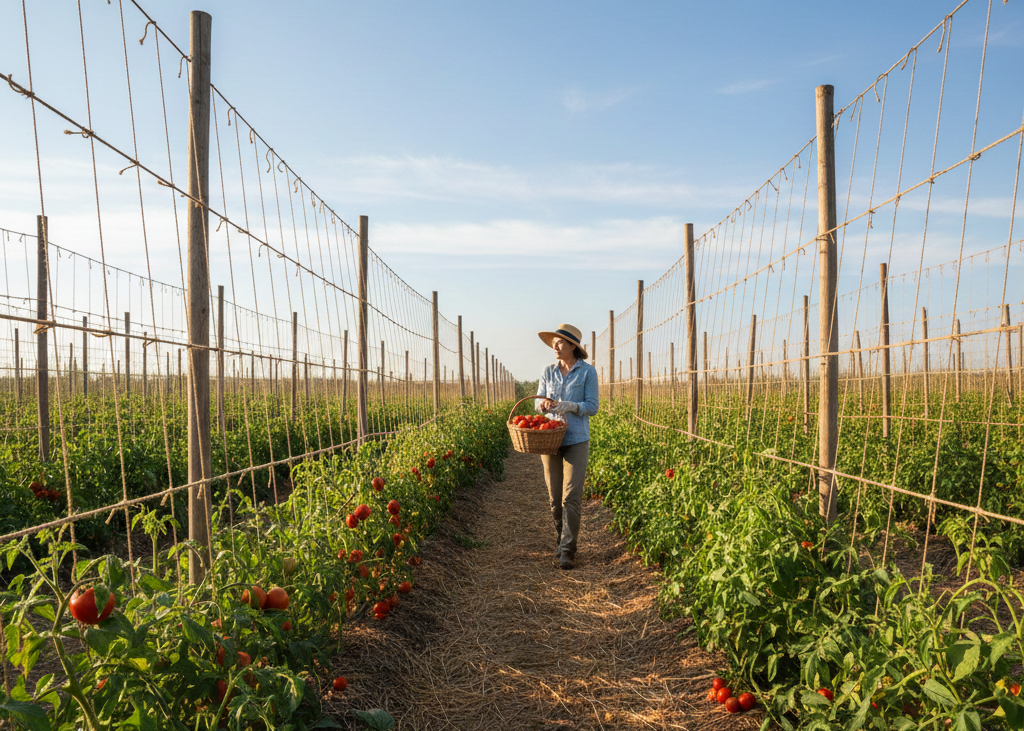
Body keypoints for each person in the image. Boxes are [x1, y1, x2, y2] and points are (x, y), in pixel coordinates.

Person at [536, 323, 599, 570]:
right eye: (553, 342)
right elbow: (538, 401)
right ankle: (561, 539)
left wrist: (572, 406)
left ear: (573, 346)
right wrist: (542, 406)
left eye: (560, 342)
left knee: (571, 497)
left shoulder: (587, 373)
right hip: (550, 439)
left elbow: (592, 407)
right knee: (554, 499)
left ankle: (568, 550)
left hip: (576, 440)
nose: (555, 346)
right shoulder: (548, 371)